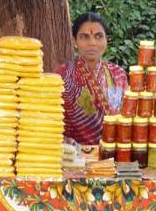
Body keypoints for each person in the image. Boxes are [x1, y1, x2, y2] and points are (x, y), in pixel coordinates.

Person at [55, 12, 128, 145]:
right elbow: (52, 121)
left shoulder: (118, 74)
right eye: (84, 37)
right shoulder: (62, 75)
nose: (92, 43)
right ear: (74, 41)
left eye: (99, 36)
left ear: (107, 40)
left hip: (115, 154)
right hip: (74, 157)